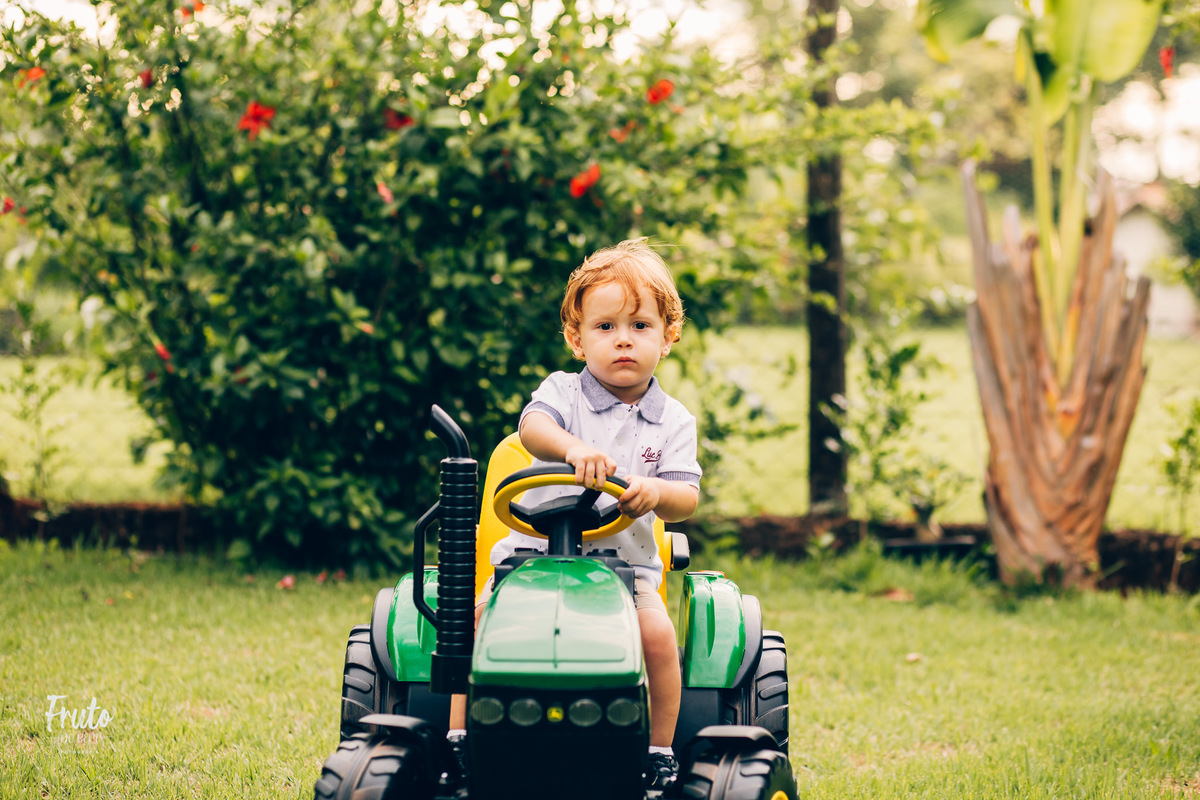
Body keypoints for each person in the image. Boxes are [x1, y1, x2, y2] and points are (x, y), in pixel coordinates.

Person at [446, 238, 702, 791]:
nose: (623, 340)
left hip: (626, 573)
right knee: (477, 623)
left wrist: (655, 492)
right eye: (605, 327)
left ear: (668, 335)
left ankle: (658, 750)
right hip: (529, 561)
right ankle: (462, 738)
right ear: (577, 339)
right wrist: (571, 448)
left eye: (640, 325)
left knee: (658, 635)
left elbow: (686, 499)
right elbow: (531, 429)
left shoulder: (674, 422)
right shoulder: (563, 395)